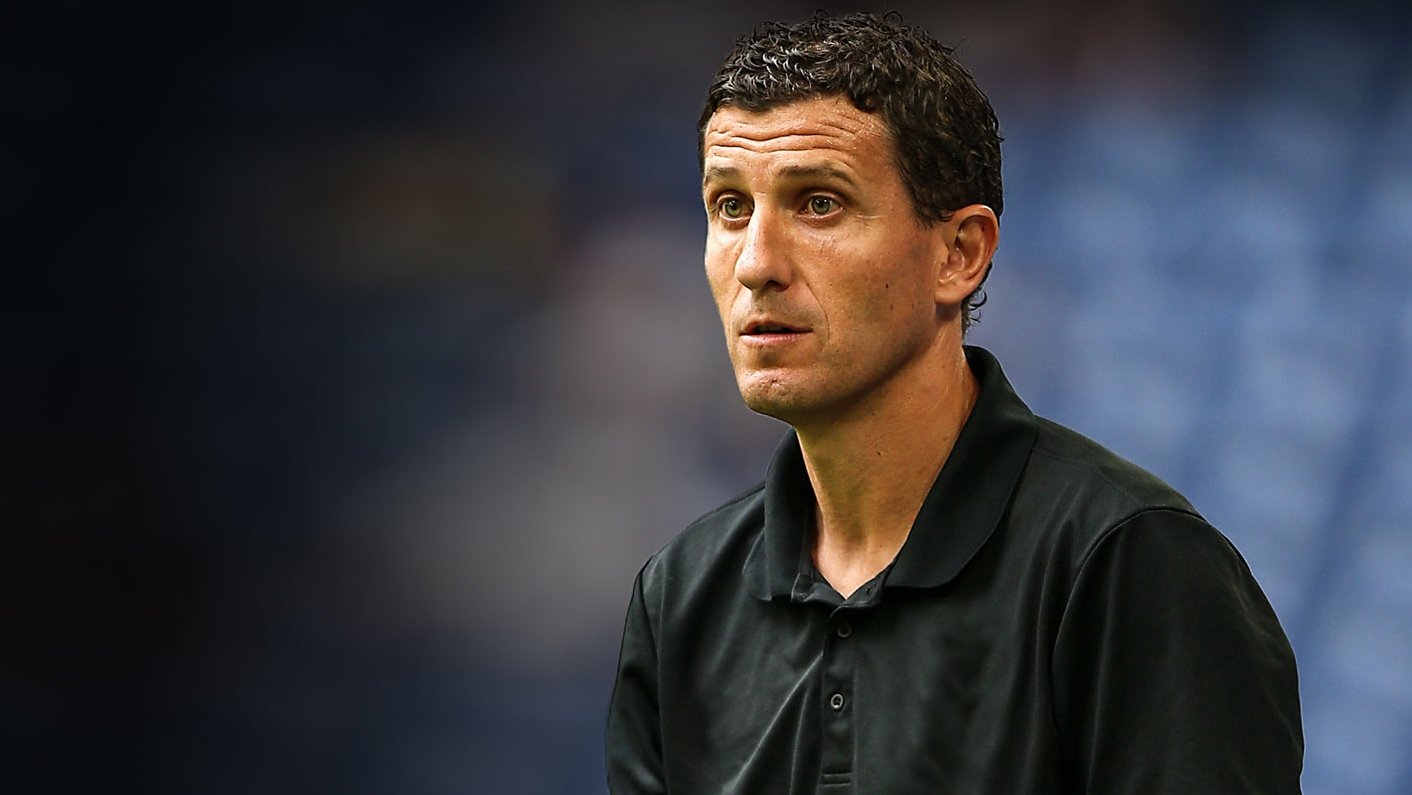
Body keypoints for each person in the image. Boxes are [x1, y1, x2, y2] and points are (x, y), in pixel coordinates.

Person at [605, 11, 1303, 794]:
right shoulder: (679, 596)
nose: (756, 264)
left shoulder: (1130, 565)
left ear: (959, 254)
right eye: (730, 207)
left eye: (820, 203)